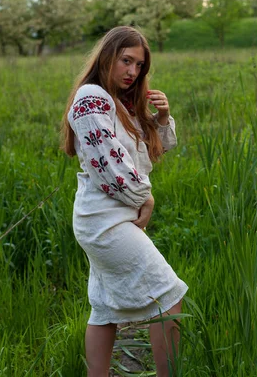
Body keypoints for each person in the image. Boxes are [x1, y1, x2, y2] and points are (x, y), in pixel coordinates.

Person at [61, 26, 188, 377]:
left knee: (104, 310)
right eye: (125, 61)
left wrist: (161, 119)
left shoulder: (122, 104)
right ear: (107, 57)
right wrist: (143, 198)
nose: (132, 71)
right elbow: (109, 165)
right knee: (168, 297)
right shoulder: (92, 98)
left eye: (139, 65)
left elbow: (148, 155)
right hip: (105, 220)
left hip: (108, 216)